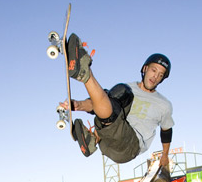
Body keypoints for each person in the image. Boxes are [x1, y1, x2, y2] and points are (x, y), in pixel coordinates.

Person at [59, 34, 174, 165]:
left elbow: (166, 132)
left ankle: (85, 72)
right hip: (106, 143)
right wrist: (77, 105)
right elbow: (99, 103)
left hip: (129, 147)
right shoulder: (129, 88)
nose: (155, 77)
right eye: (154, 70)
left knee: (119, 97)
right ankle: (92, 140)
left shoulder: (164, 105)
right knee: (119, 93)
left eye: (160, 75)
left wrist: (165, 155)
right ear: (145, 68)